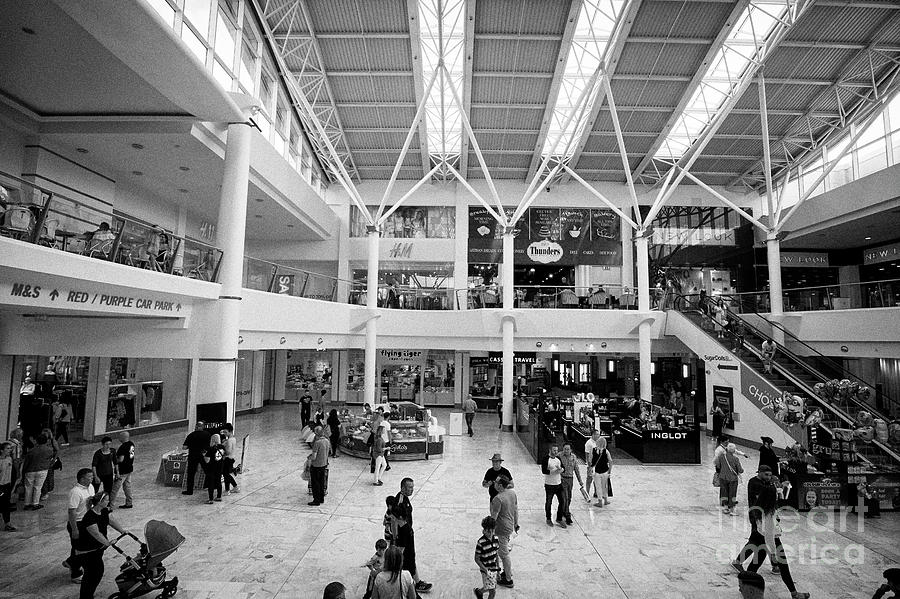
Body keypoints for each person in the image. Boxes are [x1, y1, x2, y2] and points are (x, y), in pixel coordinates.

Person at [745, 485, 810, 599]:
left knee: (755, 564)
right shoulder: (768, 513)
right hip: (772, 541)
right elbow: (769, 535)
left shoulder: (759, 507)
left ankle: (745, 585)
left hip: (761, 538)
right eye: (775, 494)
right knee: (784, 567)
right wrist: (773, 553)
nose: (777, 496)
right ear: (771, 497)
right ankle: (794, 594)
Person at [76, 491, 128, 599]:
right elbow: (96, 533)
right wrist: (108, 543)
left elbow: (111, 521)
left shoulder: (103, 511)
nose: (108, 501)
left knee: (96, 573)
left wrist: (122, 531)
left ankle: (88, 595)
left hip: (97, 549)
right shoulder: (89, 517)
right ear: (99, 502)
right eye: (106, 500)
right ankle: (86, 596)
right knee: (93, 574)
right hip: (87, 551)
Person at [732, 465, 774, 573]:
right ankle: (744, 565)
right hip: (757, 516)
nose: (768, 477)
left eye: (770, 475)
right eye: (766, 475)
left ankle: (739, 562)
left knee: (757, 540)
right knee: (758, 541)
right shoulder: (755, 483)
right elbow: (761, 499)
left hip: (762, 516)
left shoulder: (764, 483)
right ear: (759, 472)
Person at [394, 477, 433, 593]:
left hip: (408, 533)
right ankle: (411, 583)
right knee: (405, 559)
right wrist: (397, 538)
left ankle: (416, 581)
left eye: (412, 487)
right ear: (402, 488)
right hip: (404, 536)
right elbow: (394, 520)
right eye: (409, 487)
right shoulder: (399, 500)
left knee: (410, 558)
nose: (412, 489)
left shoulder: (405, 498)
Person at [64, 468, 95, 583]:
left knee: (82, 547)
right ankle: (75, 573)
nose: (92, 478)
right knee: (79, 548)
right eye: (90, 477)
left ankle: (71, 562)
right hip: (78, 522)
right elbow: (72, 512)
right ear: (82, 478)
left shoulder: (91, 487)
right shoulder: (75, 492)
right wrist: (75, 529)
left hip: (87, 521)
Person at [489, 475, 518, 589]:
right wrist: (516, 523)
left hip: (501, 529)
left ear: (500, 485)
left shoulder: (498, 498)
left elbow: (493, 518)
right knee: (503, 552)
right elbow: (515, 509)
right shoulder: (512, 493)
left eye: (496, 482)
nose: (494, 483)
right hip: (509, 526)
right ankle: (507, 572)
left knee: (504, 554)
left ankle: (508, 579)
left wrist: (489, 532)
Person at [21, 432, 53, 510]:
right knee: (38, 487)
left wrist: (23, 471)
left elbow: (26, 462)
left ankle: (27, 503)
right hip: (42, 470)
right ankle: (35, 503)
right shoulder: (49, 450)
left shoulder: (31, 451)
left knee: (28, 487)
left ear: (37, 441)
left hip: (30, 470)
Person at [473, 516, 501, 599]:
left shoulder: (496, 539)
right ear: (484, 530)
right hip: (486, 571)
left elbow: (496, 555)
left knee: (490, 587)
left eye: (492, 531)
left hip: (494, 569)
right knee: (492, 591)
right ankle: (479, 592)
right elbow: (476, 559)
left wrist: (498, 570)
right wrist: (486, 570)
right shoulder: (480, 542)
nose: (491, 533)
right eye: (488, 531)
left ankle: (479, 592)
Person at [181, 421, 211, 495]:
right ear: (203, 427)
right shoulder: (207, 434)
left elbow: (184, 447)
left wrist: (190, 445)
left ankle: (189, 490)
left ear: (196, 426)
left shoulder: (191, 435)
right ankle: (211, 486)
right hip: (203, 455)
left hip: (193, 455)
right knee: (207, 471)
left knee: (191, 474)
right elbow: (209, 445)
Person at [541, 444, 565, 527]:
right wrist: (555, 471)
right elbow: (544, 471)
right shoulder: (546, 459)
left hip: (558, 484)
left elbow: (563, 468)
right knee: (549, 502)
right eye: (554, 450)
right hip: (549, 485)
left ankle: (559, 518)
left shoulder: (558, 459)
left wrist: (560, 470)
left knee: (562, 501)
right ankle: (548, 518)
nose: (556, 452)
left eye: (556, 450)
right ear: (550, 450)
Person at [559, 443, 584, 525]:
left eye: (568, 449)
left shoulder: (573, 457)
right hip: (562, 479)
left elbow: (576, 469)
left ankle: (564, 510)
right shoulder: (559, 456)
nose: (566, 450)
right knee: (565, 497)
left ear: (571, 450)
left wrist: (580, 481)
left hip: (570, 479)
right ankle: (567, 515)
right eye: (564, 449)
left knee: (569, 497)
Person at [716, 443, 744, 514]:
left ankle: (725, 508)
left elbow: (718, 466)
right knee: (732, 493)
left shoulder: (721, 456)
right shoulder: (735, 459)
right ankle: (731, 509)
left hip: (722, 477)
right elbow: (740, 470)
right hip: (732, 479)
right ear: (734, 451)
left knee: (724, 492)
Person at [109, 431, 134, 509]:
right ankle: (129, 503)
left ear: (123, 437)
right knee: (127, 486)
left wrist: (113, 458)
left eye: (120, 437)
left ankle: (110, 505)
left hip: (122, 470)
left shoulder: (122, 447)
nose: (118, 438)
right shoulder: (131, 444)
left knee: (114, 489)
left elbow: (121, 459)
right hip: (129, 468)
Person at [308, 426, 330, 506]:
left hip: (316, 465)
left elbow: (314, 457)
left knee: (315, 483)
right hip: (323, 464)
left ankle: (316, 500)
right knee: (321, 482)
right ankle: (321, 498)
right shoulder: (327, 441)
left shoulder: (317, 443)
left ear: (316, 433)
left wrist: (309, 457)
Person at [590, 436, 612, 508]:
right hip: (605, 471)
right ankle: (605, 500)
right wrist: (609, 471)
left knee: (598, 487)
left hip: (597, 472)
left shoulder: (594, 450)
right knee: (604, 486)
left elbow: (591, 461)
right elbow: (610, 461)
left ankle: (600, 501)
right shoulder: (606, 451)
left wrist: (590, 468)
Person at [203, 433, 225, 504]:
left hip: (212, 468)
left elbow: (207, 460)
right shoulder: (222, 447)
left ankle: (210, 499)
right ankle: (219, 496)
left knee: (211, 483)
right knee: (219, 482)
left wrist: (204, 456)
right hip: (220, 467)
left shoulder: (211, 449)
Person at [0, 442, 16, 531]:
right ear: (2, 450)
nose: (10, 450)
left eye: (10, 448)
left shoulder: (9, 459)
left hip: (7, 485)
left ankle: (7, 523)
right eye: (8, 448)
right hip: (0, 486)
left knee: (6, 505)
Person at [221, 423, 240, 494]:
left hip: (227, 459)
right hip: (232, 458)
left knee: (226, 475)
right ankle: (233, 488)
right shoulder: (233, 439)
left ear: (230, 431)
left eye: (225, 432)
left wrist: (223, 449)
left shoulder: (229, 441)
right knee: (227, 474)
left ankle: (228, 489)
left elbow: (228, 452)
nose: (224, 434)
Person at [583, 430, 600, 501]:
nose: (598, 436)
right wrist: (588, 464)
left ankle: (596, 492)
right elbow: (586, 454)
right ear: (593, 435)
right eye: (597, 434)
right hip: (591, 464)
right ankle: (587, 493)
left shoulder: (598, 442)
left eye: (598, 435)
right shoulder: (588, 443)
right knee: (589, 479)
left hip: (597, 464)